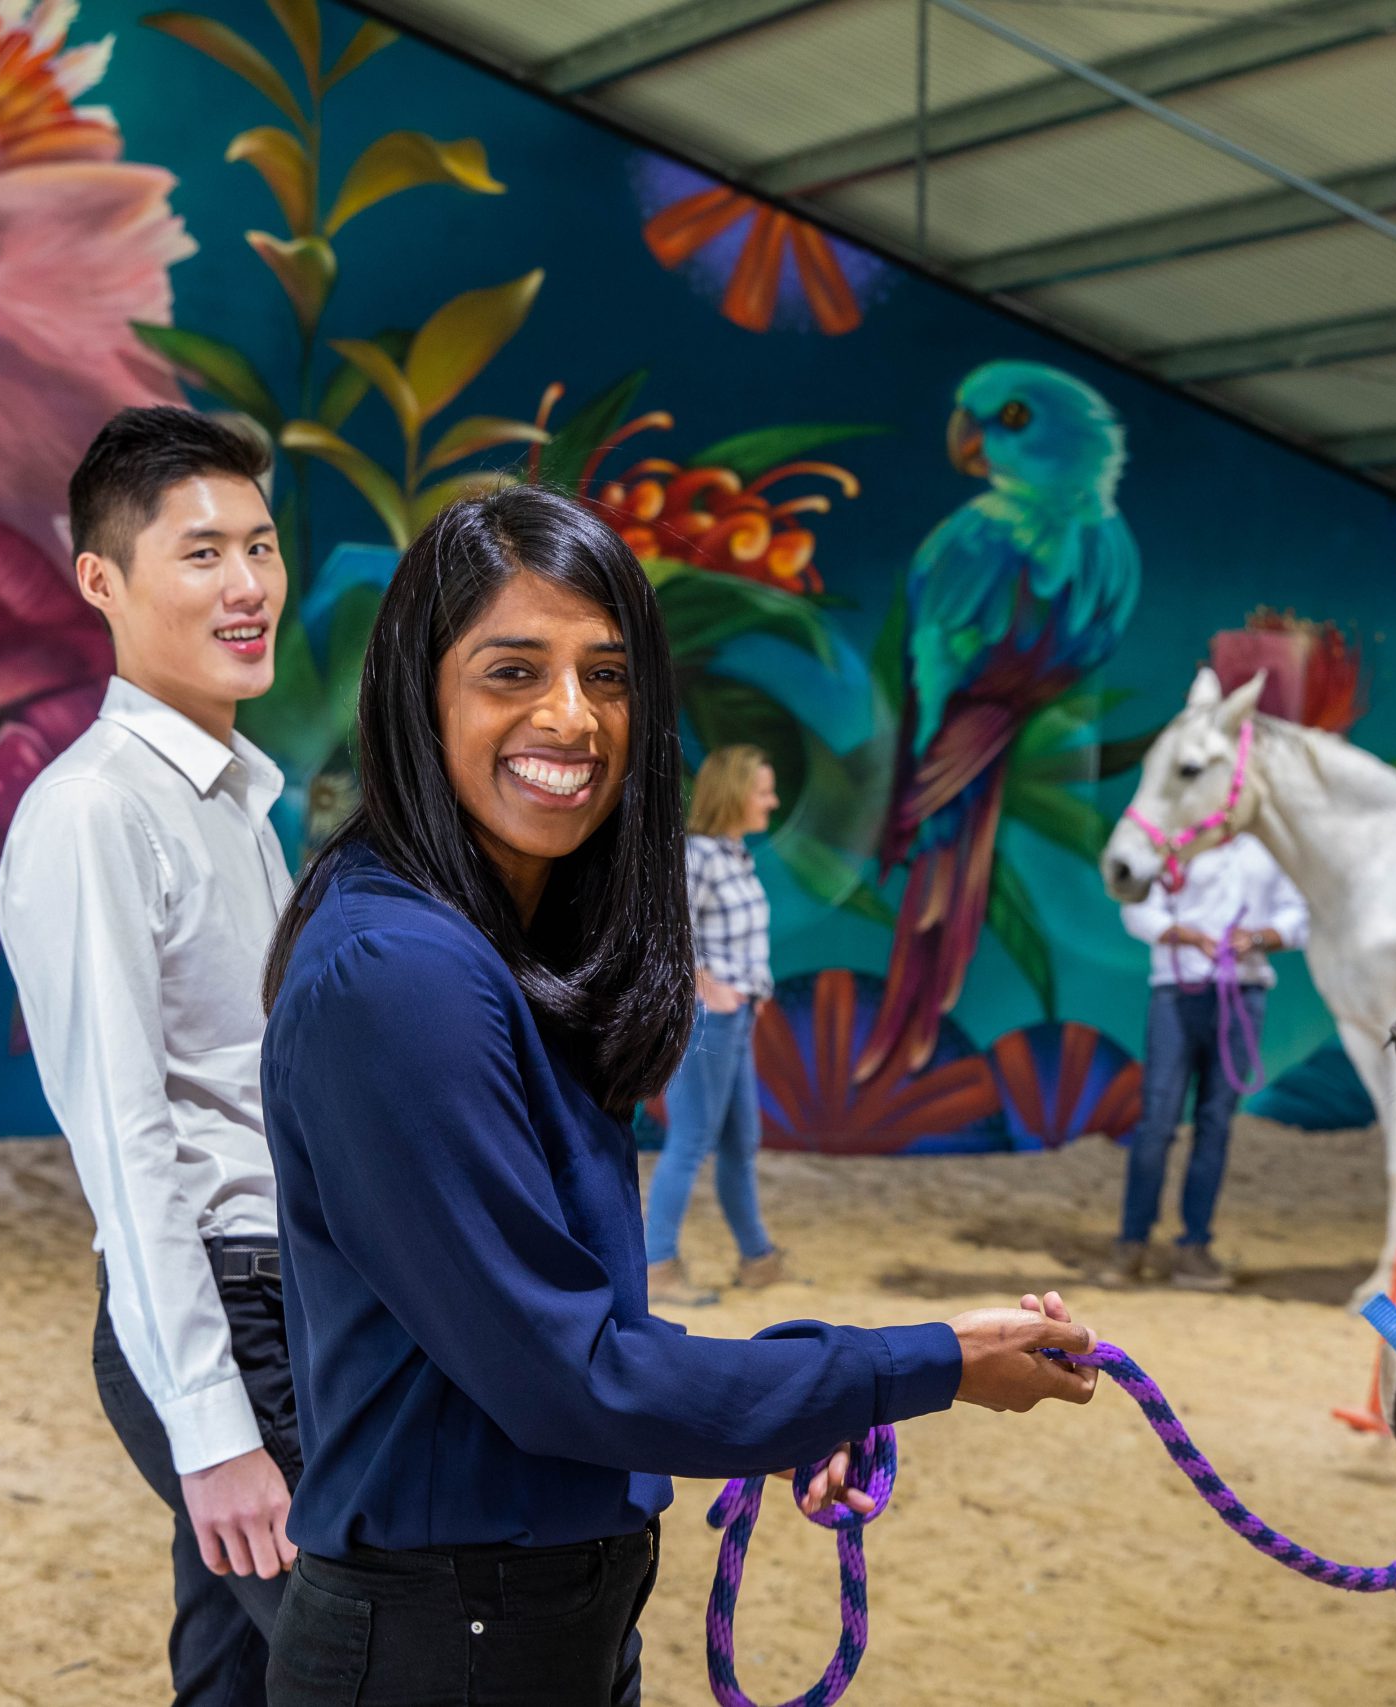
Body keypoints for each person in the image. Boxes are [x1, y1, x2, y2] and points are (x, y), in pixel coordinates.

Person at [257, 485, 1098, 1705]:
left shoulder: (495, 947)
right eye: (512, 672)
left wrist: (795, 1408)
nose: (572, 717)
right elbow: (574, 1377)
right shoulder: (403, 974)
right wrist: (921, 1363)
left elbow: (580, 1350)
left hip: (535, 1618)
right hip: (448, 1643)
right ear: (415, 691)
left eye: (606, 676)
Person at [0, 407, 299, 1706]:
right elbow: (126, 1140)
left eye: (264, 545)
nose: (248, 585)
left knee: (237, 1679)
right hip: (224, 1319)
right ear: (103, 581)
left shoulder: (242, 798)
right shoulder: (93, 811)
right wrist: (215, 1429)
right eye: (203, 552)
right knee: (387, 1657)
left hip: (295, 1297)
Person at [1108, 832, 1310, 1289]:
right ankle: (1131, 1242)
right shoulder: (1173, 845)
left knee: (1216, 1123)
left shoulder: (1270, 847)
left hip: (1244, 993)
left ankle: (1193, 1247)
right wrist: (1185, 935)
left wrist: (1256, 937)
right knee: (1157, 1120)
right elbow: (1136, 908)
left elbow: (1297, 917)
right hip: (1176, 993)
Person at [643, 743, 782, 1307]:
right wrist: (708, 985)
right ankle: (655, 1266)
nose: (772, 801)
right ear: (734, 794)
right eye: (763, 790)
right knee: (691, 1139)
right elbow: (667, 927)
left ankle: (758, 1260)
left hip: (737, 1015)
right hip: (709, 1019)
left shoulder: (733, 853)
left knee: (740, 1141)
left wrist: (752, 989)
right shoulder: (695, 854)